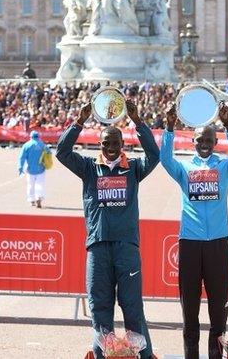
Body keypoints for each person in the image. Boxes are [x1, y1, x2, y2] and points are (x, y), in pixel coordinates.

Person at [56, 99, 159, 359]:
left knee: (132, 308)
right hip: (98, 247)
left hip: (126, 247)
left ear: (122, 145)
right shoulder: (90, 168)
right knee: (101, 309)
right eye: (105, 143)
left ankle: (143, 356)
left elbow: (155, 156)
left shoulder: (134, 168)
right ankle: (103, 356)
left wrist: (138, 122)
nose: (111, 148)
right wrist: (78, 122)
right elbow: (62, 152)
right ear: (99, 144)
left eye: (115, 143)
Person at [160, 103, 228, 359]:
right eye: (200, 140)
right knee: (190, 309)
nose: (204, 144)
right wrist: (169, 128)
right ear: (194, 142)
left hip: (218, 243)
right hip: (190, 243)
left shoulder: (225, 167)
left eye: (208, 139)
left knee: (218, 309)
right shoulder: (184, 168)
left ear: (215, 141)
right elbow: (165, 159)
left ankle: (215, 355)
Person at [18, 130, 51, 208]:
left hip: (30, 169)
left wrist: (20, 167)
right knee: (40, 184)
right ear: (38, 136)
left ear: (31, 137)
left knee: (30, 185)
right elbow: (49, 153)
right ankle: (39, 197)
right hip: (41, 168)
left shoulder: (27, 145)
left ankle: (31, 200)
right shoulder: (42, 145)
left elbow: (21, 158)